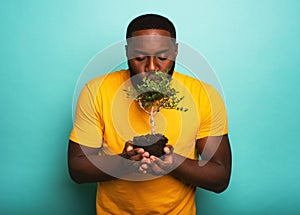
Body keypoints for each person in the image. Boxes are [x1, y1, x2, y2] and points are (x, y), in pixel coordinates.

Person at [68, 14, 232, 214]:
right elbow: (77, 168)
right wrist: (124, 162)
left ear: (175, 52)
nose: (152, 67)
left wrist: (173, 163)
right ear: (128, 53)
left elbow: (220, 177)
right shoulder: (97, 90)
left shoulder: (203, 95)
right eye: (139, 57)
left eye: (163, 57)